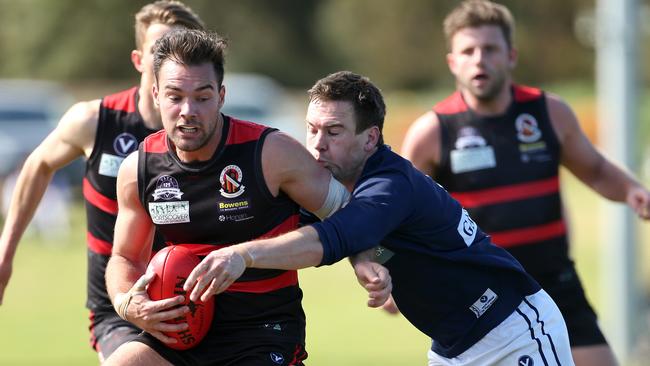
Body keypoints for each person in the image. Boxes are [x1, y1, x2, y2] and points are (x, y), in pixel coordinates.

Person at [180, 70, 575, 366]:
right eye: (312, 129)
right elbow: (297, 227)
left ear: (370, 138)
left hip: (512, 330)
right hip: (453, 348)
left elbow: (335, 235)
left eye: (334, 131)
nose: (317, 144)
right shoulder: (328, 186)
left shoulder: (390, 185)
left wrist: (243, 256)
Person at [104, 30, 387, 366]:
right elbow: (123, 256)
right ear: (155, 95)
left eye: (203, 97)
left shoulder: (270, 153)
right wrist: (127, 304)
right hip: (180, 334)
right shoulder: (140, 167)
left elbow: (348, 211)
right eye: (175, 96)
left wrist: (370, 258)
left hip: (263, 332)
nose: (188, 111)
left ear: (221, 96)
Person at [400, 1, 650, 365]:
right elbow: (399, 213)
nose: (479, 59)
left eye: (490, 49)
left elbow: (595, 169)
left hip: (554, 279)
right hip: (482, 293)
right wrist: (390, 272)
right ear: (453, 62)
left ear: (511, 56)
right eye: (468, 51)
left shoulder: (549, 112)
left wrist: (632, 190)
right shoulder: (433, 132)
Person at [0, 1, 205, 361]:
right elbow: (37, 166)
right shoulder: (95, 121)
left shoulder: (204, 132)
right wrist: (6, 250)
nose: (169, 62)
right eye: (160, 50)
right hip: (118, 308)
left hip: (192, 303)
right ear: (139, 60)